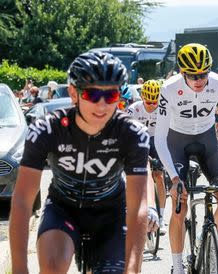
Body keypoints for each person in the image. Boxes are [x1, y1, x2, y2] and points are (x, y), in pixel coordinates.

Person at [9, 51, 158, 273]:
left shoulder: (132, 133)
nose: (101, 105)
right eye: (92, 95)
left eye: (111, 96)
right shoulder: (47, 129)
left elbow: (137, 207)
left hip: (112, 213)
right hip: (64, 210)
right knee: (52, 267)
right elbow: (22, 200)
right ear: (73, 93)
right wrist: (20, 268)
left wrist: (133, 268)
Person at [154, 43, 218, 274]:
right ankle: (177, 266)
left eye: (203, 74)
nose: (199, 80)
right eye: (192, 75)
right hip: (177, 142)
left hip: (208, 141)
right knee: (180, 205)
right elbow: (159, 139)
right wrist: (175, 179)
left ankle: (208, 244)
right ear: (182, 72)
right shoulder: (168, 89)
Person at [128, 79, 169, 234]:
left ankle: (162, 217)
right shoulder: (134, 109)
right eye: (149, 101)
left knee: (159, 176)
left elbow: (170, 132)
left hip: (157, 141)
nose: (152, 105)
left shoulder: (163, 109)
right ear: (143, 97)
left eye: (155, 101)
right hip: (139, 141)